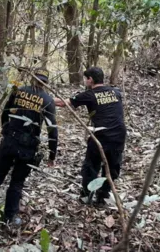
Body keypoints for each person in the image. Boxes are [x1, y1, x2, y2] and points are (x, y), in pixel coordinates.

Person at [0, 68, 58, 229]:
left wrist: (5, 129)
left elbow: (5, 112)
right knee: (17, 183)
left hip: (10, 141)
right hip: (28, 147)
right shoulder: (48, 100)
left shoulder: (19, 91)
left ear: (32, 79)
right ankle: (10, 217)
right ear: (45, 83)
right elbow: (53, 130)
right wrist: (52, 155)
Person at [54, 67, 126, 205]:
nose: (85, 81)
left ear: (90, 79)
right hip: (119, 135)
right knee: (112, 167)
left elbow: (63, 103)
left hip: (101, 136)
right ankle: (103, 197)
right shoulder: (116, 92)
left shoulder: (89, 94)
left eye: (85, 78)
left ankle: (87, 196)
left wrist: (43, 98)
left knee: (91, 166)